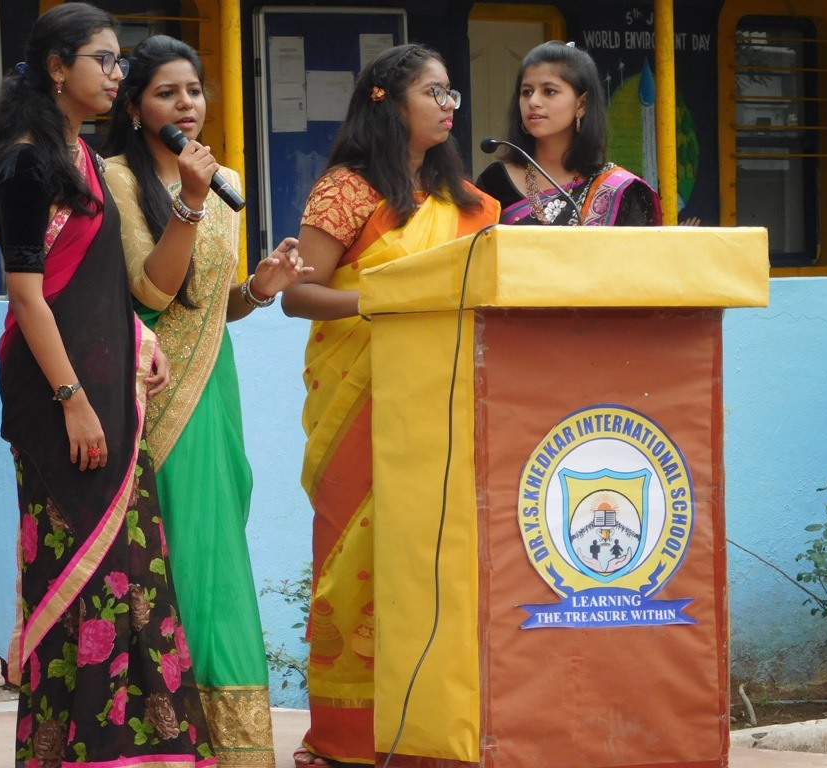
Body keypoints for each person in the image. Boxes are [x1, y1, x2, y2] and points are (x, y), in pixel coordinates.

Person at [0, 4, 215, 765]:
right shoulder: (25, 163)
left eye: (119, 62)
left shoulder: (81, 155)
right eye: (103, 61)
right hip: (59, 401)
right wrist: (73, 402)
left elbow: (100, 280)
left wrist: (143, 339)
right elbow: (27, 294)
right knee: (78, 575)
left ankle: (141, 746)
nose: (117, 75)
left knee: (134, 570)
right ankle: (77, 749)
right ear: (57, 68)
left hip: (110, 394)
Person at [281, 43, 499, 767]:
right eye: (434, 92)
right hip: (359, 403)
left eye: (451, 94)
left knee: (438, 559)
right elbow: (298, 294)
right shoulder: (346, 190)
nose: (448, 105)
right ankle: (346, 736)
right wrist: (387, 301)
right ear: (387, 99)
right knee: (356, 560)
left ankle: (438, 730)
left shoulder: (467, 202)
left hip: (443, 405)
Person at [102, 34, 310, 768]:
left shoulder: (224, 182)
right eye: (167, 93)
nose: (186, 104)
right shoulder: (117, 181)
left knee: (220, 548)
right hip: (149, 392)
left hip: (214, 388)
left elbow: (215, 305)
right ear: (135, 107)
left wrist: (259, 287)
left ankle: (233, 741)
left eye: (193, 90)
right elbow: (153, 290)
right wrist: (189, 202)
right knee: (173, 552)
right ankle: (166, 731)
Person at [475, 41, 661, 226]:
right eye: (526, 92)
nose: (533, 101)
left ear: (582, 104)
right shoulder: (495, 182)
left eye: (549, 91)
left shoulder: (615, 190)